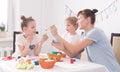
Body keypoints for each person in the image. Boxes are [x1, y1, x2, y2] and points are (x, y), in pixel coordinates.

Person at [50, 9, 120, 72]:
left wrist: (57, 35)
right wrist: (63, 49)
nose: (77, 22)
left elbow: (74, 49)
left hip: (110, 69)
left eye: (79, 19)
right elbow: (73, 54)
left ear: (88, 20)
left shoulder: (96, 32)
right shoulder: (84, 35)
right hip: (98, 69)